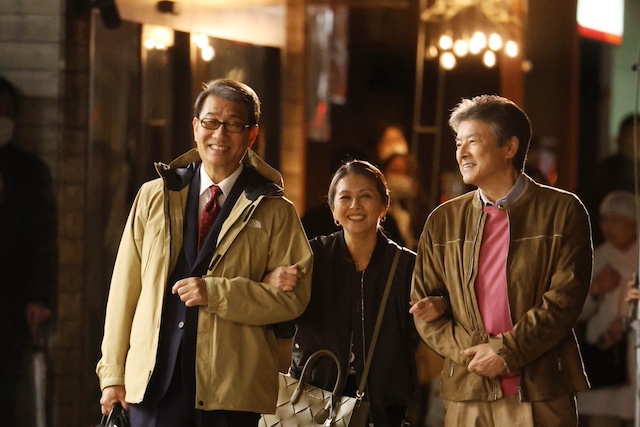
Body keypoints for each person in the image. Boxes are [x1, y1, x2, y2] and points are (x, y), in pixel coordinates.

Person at [96, 78, 313, 427]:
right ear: (196, 127)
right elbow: (125, 289)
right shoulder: (154, 196)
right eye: (211, 122)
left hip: (231, 393)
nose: (219, 134)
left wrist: (217, 292)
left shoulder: (275, 209)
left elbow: (293, 300)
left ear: (251, 135)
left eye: (233, 124)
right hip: (154, 386)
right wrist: (112, 375)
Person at [410, 94, 593, 426]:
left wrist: (507, 352)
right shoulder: (443, 220)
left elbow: (564, 301)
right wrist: (480, 351)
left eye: (473, 142)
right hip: (468, 388)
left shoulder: (562, 211)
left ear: (509, 148)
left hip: (539, 388)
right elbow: (423, 308)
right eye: (458, 143)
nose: (462, 153)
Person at [280, 159, 445, 427]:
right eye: (345, 197)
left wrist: (441, 304)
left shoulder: (406, 266)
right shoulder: (312, 257)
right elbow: (284, 320)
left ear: (383, 206)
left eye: (365, 196)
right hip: (315, 400)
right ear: (333, 210)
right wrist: (277, 283)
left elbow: (434, 318)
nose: (355, 205)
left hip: (382, 407)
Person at [0, 76, 57, 425]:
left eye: (7, 112)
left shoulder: (28, 170)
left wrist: (40, 296)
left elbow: (42, 238)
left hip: (11, 300)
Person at [578, 190, 637, 427]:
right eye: (605, 220)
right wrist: (595, 289)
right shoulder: (595, 259)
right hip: (605, 360)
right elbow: (576, 312)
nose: (609, 227)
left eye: (616, 221)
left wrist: (627, 321)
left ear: (633, 224)